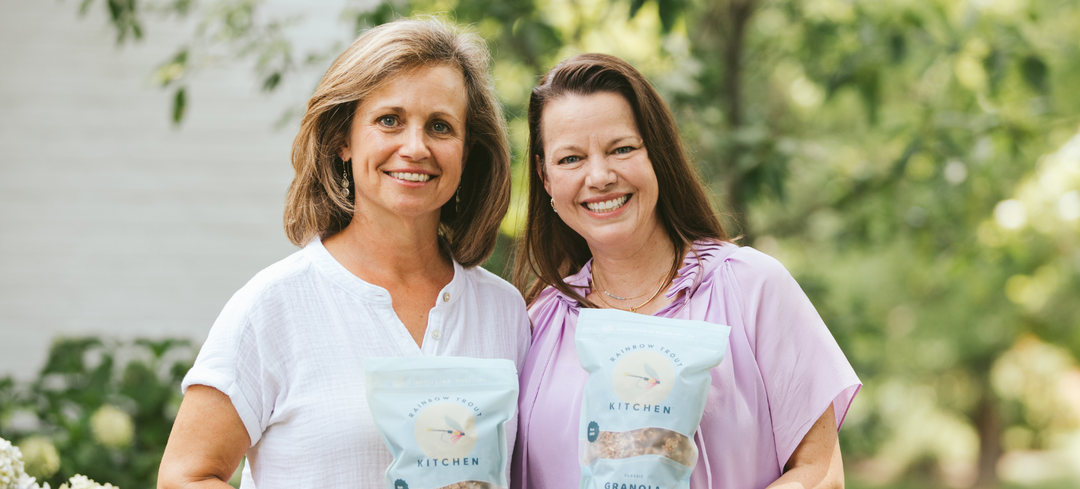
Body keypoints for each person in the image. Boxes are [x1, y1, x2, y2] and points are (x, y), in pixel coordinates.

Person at [157, 18, 530, 489]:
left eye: (440, 126)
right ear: (343, 140)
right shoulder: (273, 306)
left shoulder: (505, 312)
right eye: (389, 120)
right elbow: (184, 477)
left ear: (467, 151)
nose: (415, 147)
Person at [511, 53, 861, 489]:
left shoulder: (753, 288)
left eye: (622, 149)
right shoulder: (534, 326)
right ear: (545, 177)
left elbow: (821, 474)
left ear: (656, 154)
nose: (599, 176)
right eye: (570, 159)